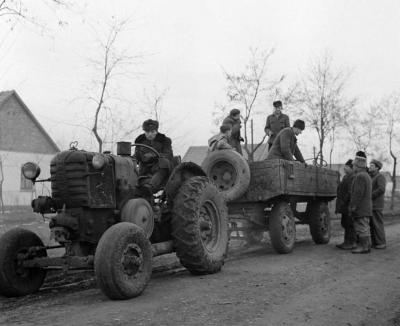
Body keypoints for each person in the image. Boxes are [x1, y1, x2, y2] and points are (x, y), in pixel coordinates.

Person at [134, 119, 173, 195]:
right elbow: (137, 156)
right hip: (144, 169)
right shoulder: (140, 141)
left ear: (156, 131)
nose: (150, 134)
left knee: (164, 162)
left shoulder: (164, 140)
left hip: (160, 168)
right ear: (144, 132)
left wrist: (154, 155)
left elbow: (168, 154)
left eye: (152, 132)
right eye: (147, 132)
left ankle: (151, 186)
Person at [349, 153, 373, 254]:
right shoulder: (366, 175)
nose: (353, 167)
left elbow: (358, 193)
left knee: (362, 227)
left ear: (358, 166)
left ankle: (364, 247)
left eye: (354, 165)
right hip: (366, 207)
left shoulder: (360, 176)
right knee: (364, 227)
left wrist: (353, 206)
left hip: (361, 207)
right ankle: (366, 246)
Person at [335, 159, 356, 250]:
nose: (344, 168)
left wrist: (344, 201)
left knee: (349, 224)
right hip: (344, 205)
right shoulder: (346, 177)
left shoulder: (353, 177)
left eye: (346, 167)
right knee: (345, 223)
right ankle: (346, 242)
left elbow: (350, 192)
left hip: (348, 204)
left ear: (351, 168)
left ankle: (351, 242)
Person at [369, 159, 387, 249]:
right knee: (372, 225)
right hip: (371, 205)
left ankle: (381, 243)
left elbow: (381, 189)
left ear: (377, 168)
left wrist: (370, 196)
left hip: (377, 205)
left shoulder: (380, 177)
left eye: (372, 165)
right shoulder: (371, 177)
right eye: (370, 165)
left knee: (378, 224)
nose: (369, 166)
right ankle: (375, 243)